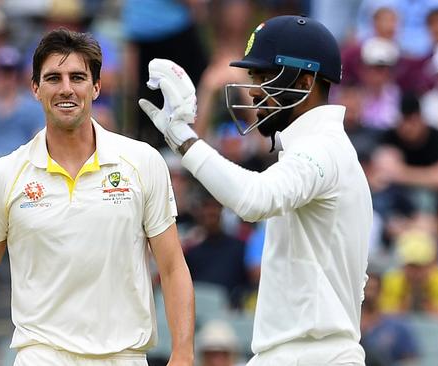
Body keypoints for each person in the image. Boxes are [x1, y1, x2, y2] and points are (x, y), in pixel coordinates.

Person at [0, 28, 195, 366]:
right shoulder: (4, 174)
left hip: (124, 356)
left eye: (78, 77)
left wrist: (184, 354)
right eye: (53, 78)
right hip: (41, 356)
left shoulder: (143, 162)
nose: (66, 89)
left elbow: (173, 267)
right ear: (35, 88)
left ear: (96, 87)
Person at [140, 15, 373, 366]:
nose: (253, 91)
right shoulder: (317, 148)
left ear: (306, 81)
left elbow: (253, 200)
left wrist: (184, 137)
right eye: (255, 78)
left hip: (317, 356)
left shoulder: (324, 149)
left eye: (265, 78)